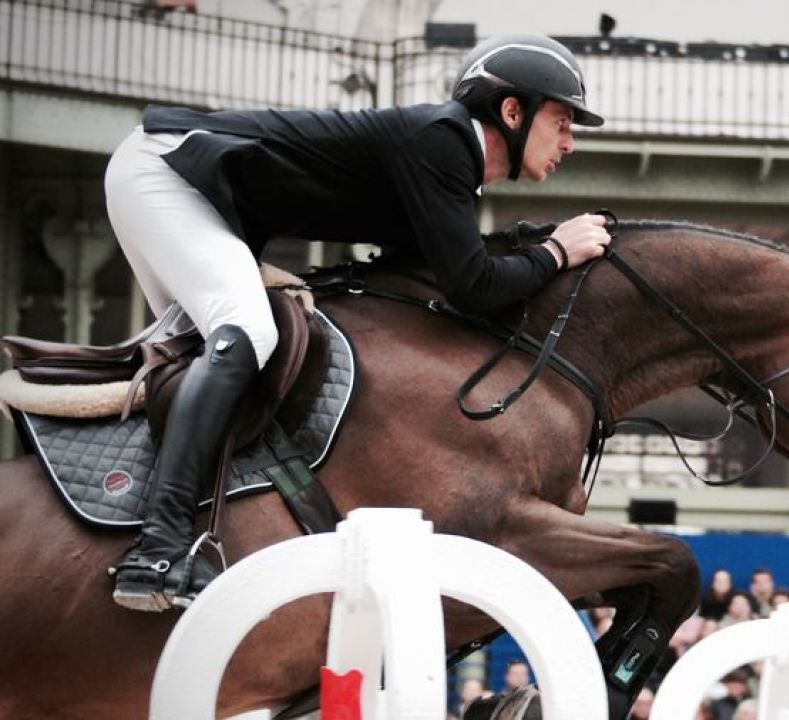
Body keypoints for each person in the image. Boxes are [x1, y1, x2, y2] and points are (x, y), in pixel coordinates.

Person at [103, 33, 612, 612]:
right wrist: (556, 252)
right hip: (166, 175)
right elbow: (473, 288)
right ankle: (157, 551)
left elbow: (446, 278)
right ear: (512, 111)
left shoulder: (451, 165)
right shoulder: (444, 141)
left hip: (183, 187)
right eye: (563, 120)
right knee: (250, 330)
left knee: (204, 358)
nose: (570, 142)